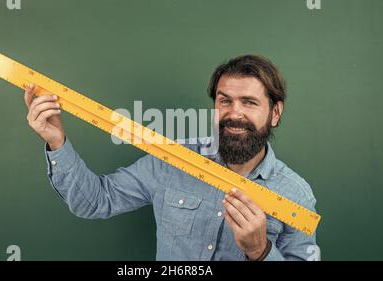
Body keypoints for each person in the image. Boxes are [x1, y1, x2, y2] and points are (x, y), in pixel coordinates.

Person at [24, 55, 320, 261]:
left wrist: (261, 252)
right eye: (224, 100)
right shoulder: (171, 160)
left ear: (275, 113)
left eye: (250, 102)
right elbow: (96, 201)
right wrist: (57, 142)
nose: (234, 114)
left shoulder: (295, 195)